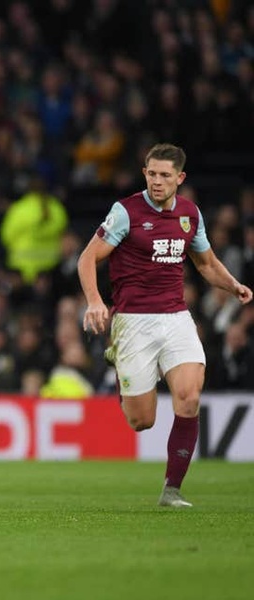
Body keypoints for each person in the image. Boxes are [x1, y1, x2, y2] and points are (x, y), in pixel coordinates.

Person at [78, 143, 252, 508]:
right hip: (133, 321)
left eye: (165, 176)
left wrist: (233, 285)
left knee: (189, 398)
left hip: (176, 318)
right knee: (141, 422)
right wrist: (95, 301)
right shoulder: (125, 212)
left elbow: (205, 264)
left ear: (180, 178)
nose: (157, 182)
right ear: (145, 173)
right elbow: (87, 258)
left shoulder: (190, 213)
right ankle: (122, 376)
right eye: (152, 174)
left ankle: (172, 489)